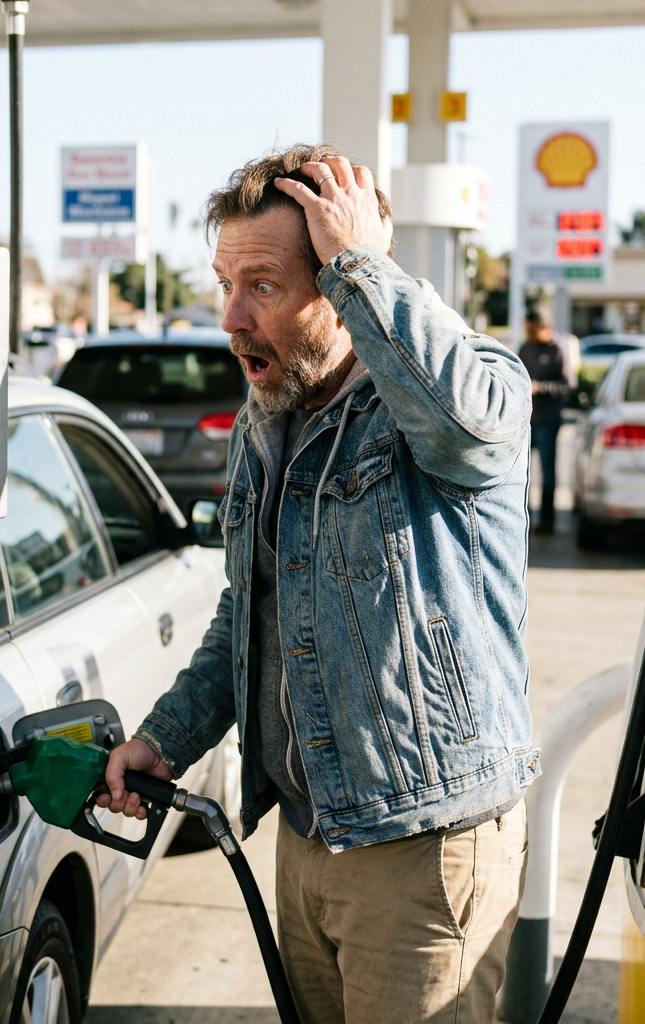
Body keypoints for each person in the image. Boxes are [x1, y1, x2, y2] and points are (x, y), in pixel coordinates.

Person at [98, 143, 538, 1023]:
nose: (231, 316)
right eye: (225, 283)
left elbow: (474, 432)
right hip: (306, 838)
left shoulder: (454, 392)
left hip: (424, 850)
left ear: (341, 284)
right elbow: (248, 610)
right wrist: (168, 738)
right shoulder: (269, 423)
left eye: (262, 284)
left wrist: (362, 263)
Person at [519, 309, 570, 534]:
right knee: (522, 472)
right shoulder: (525, 348)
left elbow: (567, 386)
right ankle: (523, 518)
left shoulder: (557, 350)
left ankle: (548, 521)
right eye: (527, 329)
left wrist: (541, 388)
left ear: (545, 327)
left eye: (533, 330)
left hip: (548, 420)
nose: (529, 334)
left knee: (548, 472)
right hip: (525, 421)